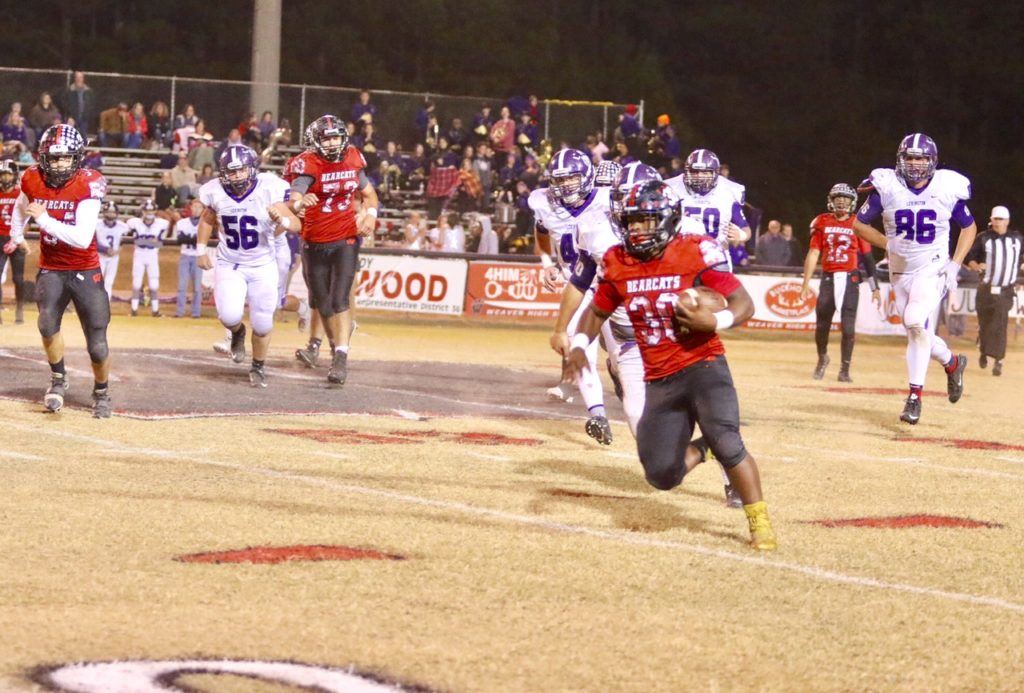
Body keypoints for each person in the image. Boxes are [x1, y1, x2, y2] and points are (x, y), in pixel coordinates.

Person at [565, 180, 777, 550]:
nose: (636, 230)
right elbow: (596, 311)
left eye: (645, 221)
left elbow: (743, 302)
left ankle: (759, 522)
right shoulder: (619, 261)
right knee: (661, 475)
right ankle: (703, 447)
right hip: (659, 379)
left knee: (729, 442)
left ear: (666, 220)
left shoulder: (695, 251)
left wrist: (718, 322)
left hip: (704, 367)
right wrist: (581, 343)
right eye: (630, 222)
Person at [853, 133, 974, 424]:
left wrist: (955, 265)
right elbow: (859, 224)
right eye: (910, 157)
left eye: (921, 158)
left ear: (932, 161)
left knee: (915, 321)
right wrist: (886, 242)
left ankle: (914, 398)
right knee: (916, 332)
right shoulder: (887, 186)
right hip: (900, 270)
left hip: (932, 267)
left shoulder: (946, 186)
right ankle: (952, 362)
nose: (915, 163)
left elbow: (969, 228)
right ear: (900, 160)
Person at [8, 124, 112, 417]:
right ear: (43, 157)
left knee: (97, 343)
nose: (59, 164)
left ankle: (102, 391)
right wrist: (17, 234)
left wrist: (42, 221)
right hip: (52, 267)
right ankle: (58, 378)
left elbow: (80, 238)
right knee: (46, 324)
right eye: (54, 158)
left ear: (77, 157)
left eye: (66, 158)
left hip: (84, 267)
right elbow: (21, 205)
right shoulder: (31, 178)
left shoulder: (89, 183)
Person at [196, 145, 300, 387]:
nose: (236, 177)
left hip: (263, 263)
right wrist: (200, 250)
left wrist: (282, 219)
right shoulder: (215, 192)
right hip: (230, 262)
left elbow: (296, 224)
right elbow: (206, 220)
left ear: (252, 169)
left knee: (263, 323)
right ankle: (238, 332)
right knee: (228, 315)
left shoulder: (269, 188)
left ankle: (258, 366)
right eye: (231, 172)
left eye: (241, 170)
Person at [286, 115, 378, 385]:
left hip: (345, 239)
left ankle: (341, 356)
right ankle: (328, 346)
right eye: (326, 138)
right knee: (322, 303)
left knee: (340, 300)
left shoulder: (352, 159)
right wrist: (300, 202)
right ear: (315, 140)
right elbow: (293, 198)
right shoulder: (307, 163)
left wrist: (370, 215)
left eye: (336, 137)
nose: (333, 142)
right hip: (314, 242)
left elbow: (370, 194)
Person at [800, 183, 882, 382]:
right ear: (831, 200)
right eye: (838, 198)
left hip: (850, 278)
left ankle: (844, 369)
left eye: (845, 198)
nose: (842, 202)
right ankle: (822, 358)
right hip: (828, 277)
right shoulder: (822, 221)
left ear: (852, 202)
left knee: (848, 326)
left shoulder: (858, 224)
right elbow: (814, 252)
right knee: (822, 325)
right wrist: (805, 283)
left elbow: (868, 257)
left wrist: (875, 287)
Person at [966, 206, 1022, 376]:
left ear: (1007, 221)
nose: (997, 222)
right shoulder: (984, 238)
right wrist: (976, 266)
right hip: (986, 289)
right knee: (985, 324)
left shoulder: (1017, 239)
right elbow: (970, 258)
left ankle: (999, 360)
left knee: (1000, 323)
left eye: (1000, 219)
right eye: (995, 219)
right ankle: (984, 350)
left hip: (1005, 290)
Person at [665, 149, 751, 261]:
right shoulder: (671, 188)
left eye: (705, 172)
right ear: (687, 171)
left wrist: (742, 235)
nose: (699, 176)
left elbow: (745, 228)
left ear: (715, 172)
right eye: (695, 172)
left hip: (716, 258)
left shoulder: (728, 191)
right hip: (680, 257)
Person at [127, 199, 169, 317]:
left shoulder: (161, 223)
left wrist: (144, 241)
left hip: (152, 256)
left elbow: (159, 244)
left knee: (154, 284)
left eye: (151, 210)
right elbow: (137, 241)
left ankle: (155, 310)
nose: (149, 213)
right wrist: (150, 241)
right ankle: (134, 309)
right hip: (139, 254)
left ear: (155, 211)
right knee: (136, 283)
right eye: (147, 210)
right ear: (143, 211)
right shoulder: (134, 222)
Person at [0, 160, 28, 324]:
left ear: (15, 175)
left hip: (16, 238)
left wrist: (17, 238)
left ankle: (19, 307)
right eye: (2, 174)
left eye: (8, 173)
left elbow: (27, 219)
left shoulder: (20, 194)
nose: (5, 177)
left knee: (18, 279)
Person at [174, 198, 205, 318]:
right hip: (185, 256)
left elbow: (208, 238)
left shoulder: (205, 223)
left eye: (199, 207)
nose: (196, 209)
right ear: (190, 208)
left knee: (197, 287)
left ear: (202, 209)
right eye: (194, 207)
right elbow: (180, 240)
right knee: (182, 286)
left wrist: (190, 238)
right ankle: (179, 311)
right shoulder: (182, 222)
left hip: (198, 257)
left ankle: (196, 312)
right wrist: (196, 239)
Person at [96, 200, 129, 300]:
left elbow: (125, 240)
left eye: (113, 212)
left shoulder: (123, 226)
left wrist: (119, 248)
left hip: (114, 257)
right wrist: (105, 249)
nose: (111, 214)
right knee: (97, 282)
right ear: (104, 212)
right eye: (109, 212)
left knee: (109, 282)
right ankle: (96, 305)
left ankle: (106, 305)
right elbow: (92, 242)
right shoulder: (97, 224)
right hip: (100, 256)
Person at [58, 72, 95, 139]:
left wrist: (88, 115)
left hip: (84, 119)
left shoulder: (89, 91)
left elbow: (92, 105)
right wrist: (69, 116)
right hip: (71, 119)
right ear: (74, 78)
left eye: (80, 77)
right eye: (77, 77)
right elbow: (64, 104)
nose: (79, 79)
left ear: (83, 79)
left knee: (82, 138)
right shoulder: (68, 91)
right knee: (70, 137)